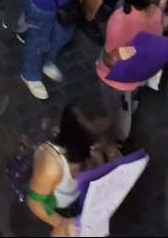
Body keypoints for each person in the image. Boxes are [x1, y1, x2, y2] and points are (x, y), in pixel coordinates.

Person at [24, 101, 119, 236]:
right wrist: (63, 224)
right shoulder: (51, 166)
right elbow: (35, 204)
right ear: (83, 142)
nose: (103, 145)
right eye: (98, 142)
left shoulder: (86, 148)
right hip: (60, 210)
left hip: (76, 199)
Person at [97, 0, 168, 143]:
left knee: (129, 98)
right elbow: (109, 60)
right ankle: (116, 141)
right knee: (121, 120)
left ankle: (127, 106)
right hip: (117, 82)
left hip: (136, 75)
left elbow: (158, 29)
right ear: (150, 4)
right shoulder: (119, 22)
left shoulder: (155, 13)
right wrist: (126, 52)